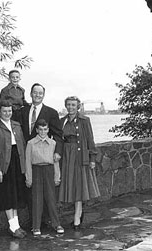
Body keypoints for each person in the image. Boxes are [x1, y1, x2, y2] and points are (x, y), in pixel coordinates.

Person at [17, 83, 63, 226]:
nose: (37, 95)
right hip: (26, 155)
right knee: (30, 190)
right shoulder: (22, 111)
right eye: (35, 93)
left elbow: (58, 136)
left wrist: (57, 152)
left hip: (44, 156)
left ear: (43, 95)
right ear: (31, 94)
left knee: (48, 193)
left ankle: (47, 221)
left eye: (40, 93)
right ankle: (34, 222)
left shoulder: (51, 112)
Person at [0, 100, 27, 239]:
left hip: (17, 162)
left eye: (9, 111)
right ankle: (13, 226)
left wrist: (25, 166)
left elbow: (22, 146)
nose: (7, 113)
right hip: (4, 164)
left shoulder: (16, 125)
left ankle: (16, 225)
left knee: (15, 195)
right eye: (4, 111)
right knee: (7, 195)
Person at [58, 96, 100, 230]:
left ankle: (77, 216)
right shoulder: (62, 121)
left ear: (78, 107)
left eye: (73, 105)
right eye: (68, 105)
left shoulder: (84, 120)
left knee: (80, 186)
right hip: (67, 157)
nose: (70, 107)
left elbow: (89, 139)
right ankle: (78, 213)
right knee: (71, 186)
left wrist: (92, 158)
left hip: (80, 156)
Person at [25, 119, 64, 236]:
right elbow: (27, 162)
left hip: (49, 170)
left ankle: (56, 223)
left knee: (51, 198)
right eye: (40, 129)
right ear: (36, 130)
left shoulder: (52, 143)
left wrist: (57, 176)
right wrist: (29, 178)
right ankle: (36, 226)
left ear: (48, 130)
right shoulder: (30, 143)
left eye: (45, 129)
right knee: (37, 199)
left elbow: (55, 161)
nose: (43, 132)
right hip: (36, 170)